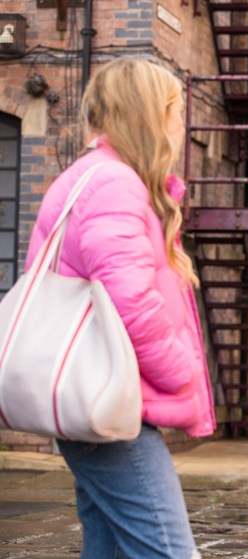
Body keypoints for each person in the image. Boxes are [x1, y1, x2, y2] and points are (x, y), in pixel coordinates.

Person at [25, 57, 215, 557]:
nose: (181, 125)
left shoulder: (95, 177)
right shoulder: (114, 183)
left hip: (106, 398)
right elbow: (130, 301)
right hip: (112, 402)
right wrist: (182, 373)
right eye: (176, 111)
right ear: (150, 116)